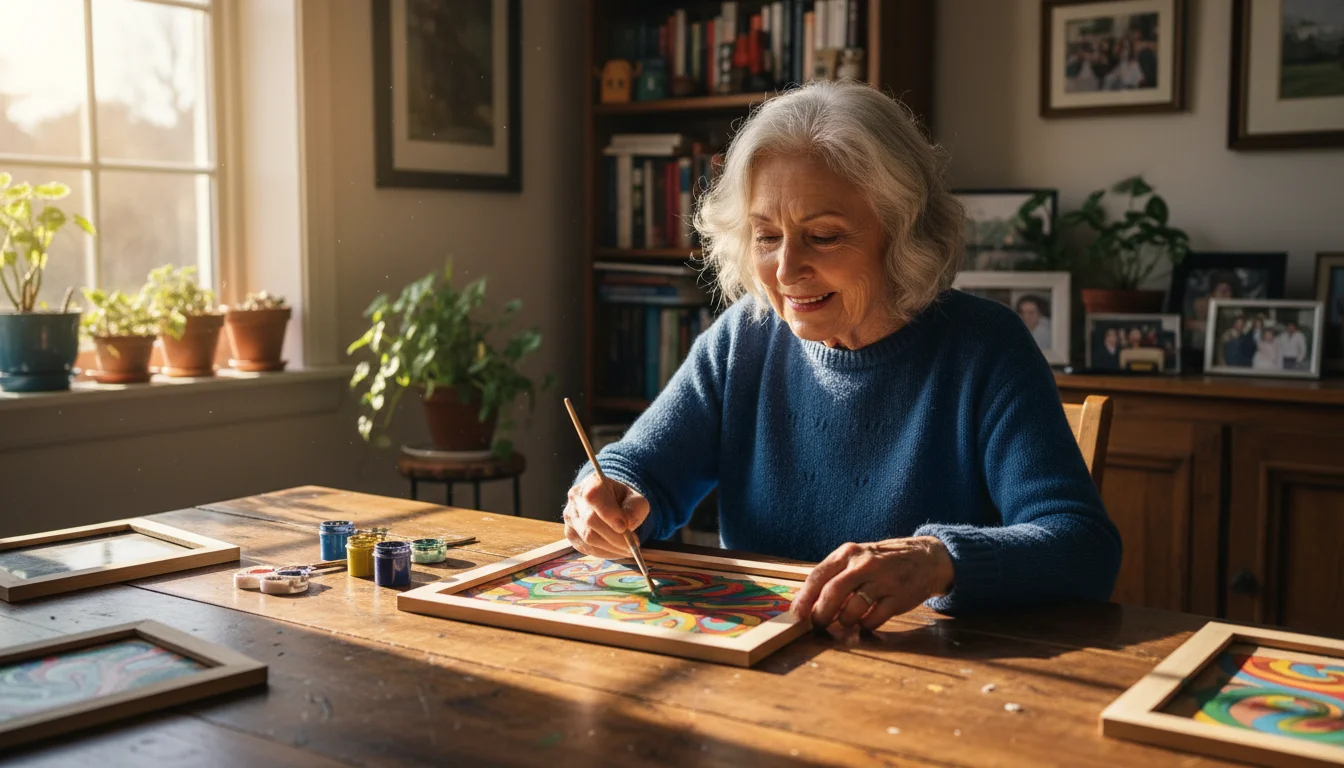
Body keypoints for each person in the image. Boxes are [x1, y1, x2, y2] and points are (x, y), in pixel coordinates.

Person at [563, 80, 1122, 630]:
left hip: (929, 678)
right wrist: (607, 495)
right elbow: (639, 471)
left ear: (903, 233)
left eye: (824, 236)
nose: (784, 272)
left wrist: (936, 560)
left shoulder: (986, 347)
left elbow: (1083, 546)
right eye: (766, 236)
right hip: (761, 667)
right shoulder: (744, 338)